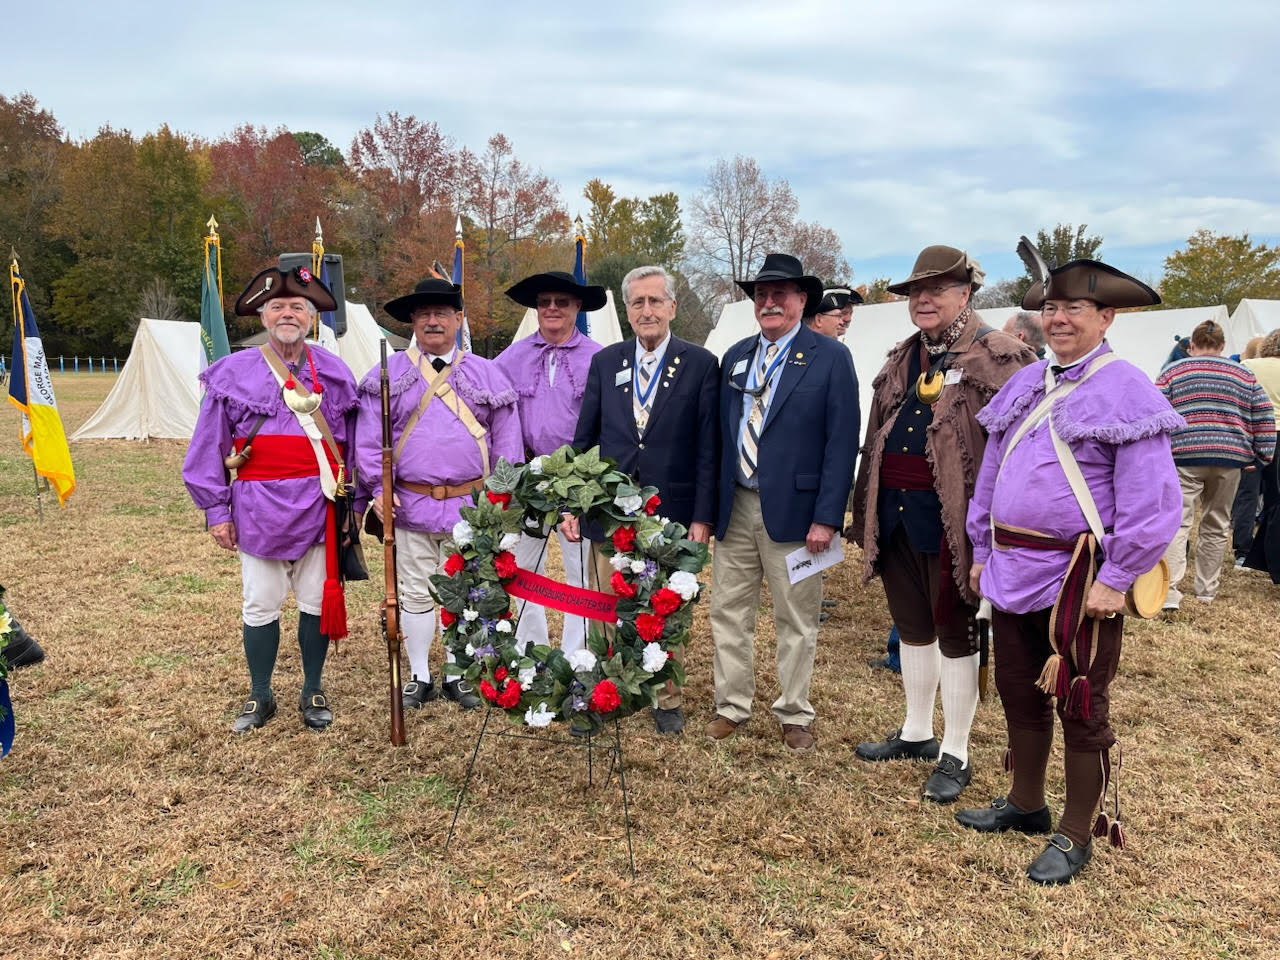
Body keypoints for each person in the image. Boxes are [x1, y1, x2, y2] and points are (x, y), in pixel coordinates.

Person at [959, 251, 1183, 885]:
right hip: (1009, 568)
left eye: (1074, 308)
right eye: (1051, 307)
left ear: (1106, 317)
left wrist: (1117, 577)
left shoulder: (1127, 387)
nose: (1057, 319)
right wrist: (982, 550)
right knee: (1018, 690)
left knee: (1081, 705)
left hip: (1079, 579)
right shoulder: (1028, 382)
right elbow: (992, 474)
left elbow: (1153, 498)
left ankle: (1076, 832)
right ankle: (1025, 803)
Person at [849, 245, 1035, 803]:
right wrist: (863, 508)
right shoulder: (904, 357)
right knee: (912, 626)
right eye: (915, 291)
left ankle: (956, 750)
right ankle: (916, 731)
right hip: (895, 512)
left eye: (937, 289)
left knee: (956, 631)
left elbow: (1020, 452)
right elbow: (874, 439)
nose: (923, 299)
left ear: (966, 293)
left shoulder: (1002, 357)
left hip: (957, 517)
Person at [183, 265, 360, 734]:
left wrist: (355, 506)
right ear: (262, 316)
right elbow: (207, 445)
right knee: (260, 604)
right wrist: (215, 511)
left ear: (311, 318)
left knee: (316, 602)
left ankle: (312, 689)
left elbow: (355, 446)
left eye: (297, 307)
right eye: (277, 306)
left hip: (320, 507)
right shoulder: (232, 372)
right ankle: (260, 693)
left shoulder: (336, 373)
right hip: (257, 510)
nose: (287, 314)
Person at [705, 253, 859, 754]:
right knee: (728, 611)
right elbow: (719, 437)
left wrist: (827, 518)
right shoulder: (735, 357)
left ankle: (794, 713)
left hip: (797, 514)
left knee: (796, 617)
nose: (769, 302)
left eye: (780, 294)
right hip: (736, 505)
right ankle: (732, 705)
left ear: (801, 300)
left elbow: (841, 442)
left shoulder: (829, 356)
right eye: (761, 295)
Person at [355, 278, 523, 712]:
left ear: (458, 318)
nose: (433, 321)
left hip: (470, 508)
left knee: (464, 594)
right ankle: (419, 676)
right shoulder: (388, 374)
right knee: (413, 592)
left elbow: (507, 442)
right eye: (424, 314)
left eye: (442, 313)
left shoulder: (487, 374)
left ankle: (456, 673)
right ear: (413, 320)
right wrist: (378, 488)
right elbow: (369, 440)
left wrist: (500, 498)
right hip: (409, 505)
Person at [570, 264, 720, 735]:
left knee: (665, 607)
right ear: (627, 309)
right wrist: (574, 502)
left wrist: (702, 516)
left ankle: (665, 696)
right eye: (638, 302)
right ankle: (603, 691)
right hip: (609, 512)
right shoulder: (605, 362)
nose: (647, 310)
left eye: (656, 300)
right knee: (604, 604)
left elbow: (708, 447)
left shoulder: (701, 364)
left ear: (672, 306)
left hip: (671, 512)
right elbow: (585, 439)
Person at [493, 271, 605, 656]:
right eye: (544, 302)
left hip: (580, 481)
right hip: (527, 477)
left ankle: (578, 657)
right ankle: (531, 653)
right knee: (523, 569)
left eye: (562, 302)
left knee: (581, 570)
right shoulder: (511, 358)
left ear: (577, 307)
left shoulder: (600, 358)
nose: (552, 308)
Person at [1155, 320, 1275, 609]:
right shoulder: (1243, 374)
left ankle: (1169, 590)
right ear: (1222, 346)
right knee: (1217, 524)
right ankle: (1206, 590)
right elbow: (1263, 414)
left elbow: (1154, 411)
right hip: (1230, 457)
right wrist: (1262, 456)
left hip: (1183, 456)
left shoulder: (1173, 372)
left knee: (1178, 523)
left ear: (1192, 345)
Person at [1236, 333, 1280, 564]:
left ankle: (1242, 551)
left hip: (1253, 433)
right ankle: (1271, 552)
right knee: (1276, 497)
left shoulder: (1248, 366)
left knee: (1247, 494)